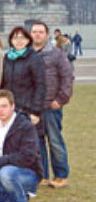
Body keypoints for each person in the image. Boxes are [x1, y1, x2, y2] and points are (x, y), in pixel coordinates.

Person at [30, 21, 74, 188]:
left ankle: (61, 175)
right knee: (37, 142)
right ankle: (42, 175)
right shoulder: (29, 54)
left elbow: (67, 77)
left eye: (41, 32)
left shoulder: (57, 54)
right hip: (34, 106)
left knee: (55, 141)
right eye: (34, 32)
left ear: (47, 35)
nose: (37, 35)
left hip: (51, 105)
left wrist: (61, 99)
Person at [1, 27, 46, 136]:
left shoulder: (34, 58)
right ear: (11, 40)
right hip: (10, 110)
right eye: (15, 38)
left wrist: (36, 112)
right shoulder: (7, 58)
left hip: (28, 110)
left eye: (22, 38)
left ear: (28, 40)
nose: (19, 41)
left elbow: (40, 86)